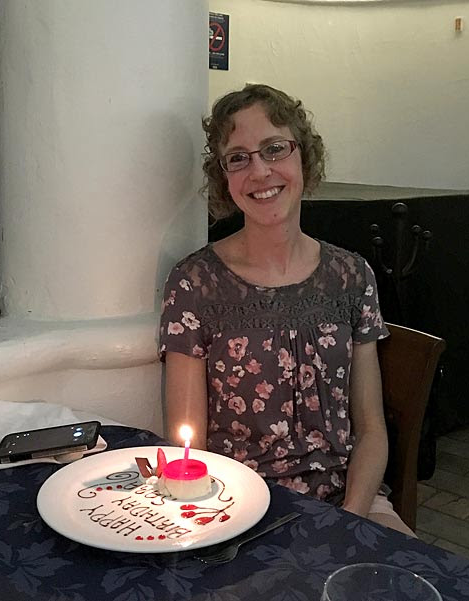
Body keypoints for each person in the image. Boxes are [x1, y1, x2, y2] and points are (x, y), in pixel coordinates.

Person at [159, 83, 415, 536]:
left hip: (350, 501)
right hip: (238, 510)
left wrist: (349, 519)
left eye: (274, 149)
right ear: (224, 177)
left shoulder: (351, 276)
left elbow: (372, 430)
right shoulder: (194, 284)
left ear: (303, 158)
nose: (259, 171)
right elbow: (189, 447)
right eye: (238, 157)